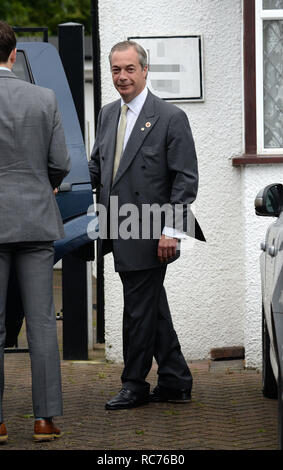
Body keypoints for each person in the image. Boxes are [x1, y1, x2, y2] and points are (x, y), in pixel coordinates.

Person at [88, 40, 205, 410]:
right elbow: (98, 167)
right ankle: (174, 379)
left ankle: (134, 384)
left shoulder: (170, 117)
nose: (122, 77)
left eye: (129, 69)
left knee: (137, 309)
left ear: (145, 70)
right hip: (118, 227)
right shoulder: (109, 114)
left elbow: (185, 179)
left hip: (151, 230)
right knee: (150, 306)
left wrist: (171, 230)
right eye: (116, 70)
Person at [0, 21, 70, 442]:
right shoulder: (44, 97)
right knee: (43, 324)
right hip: (36, 219)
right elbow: (60, 160)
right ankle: (44, 420)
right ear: (13, 54)